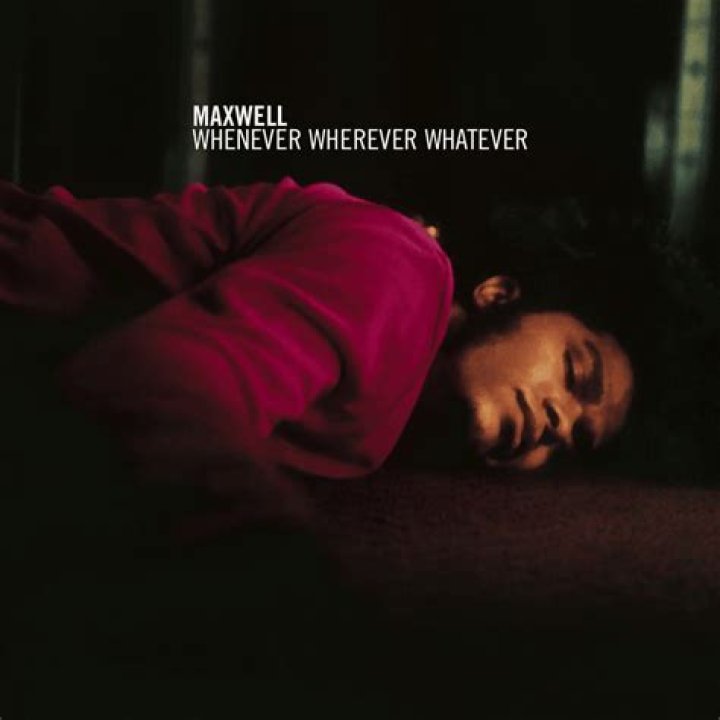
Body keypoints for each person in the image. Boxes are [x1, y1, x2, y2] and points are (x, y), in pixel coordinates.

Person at [0, 176, 633, 530]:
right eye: (577, 372)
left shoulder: (394, 430)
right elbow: (144, 386)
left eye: (575, 440)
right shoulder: (400, 269)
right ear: (498, 294)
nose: (560, 421)